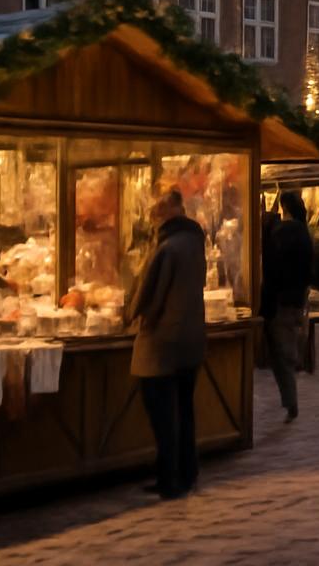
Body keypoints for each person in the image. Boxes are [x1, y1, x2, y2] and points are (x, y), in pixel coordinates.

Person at [126, 190, 206, 500]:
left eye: (157, 208)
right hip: (191, 339)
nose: (153, 214)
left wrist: (130, 315)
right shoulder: (193, 241)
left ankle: (169, 479)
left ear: (169, 210)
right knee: (184, 410)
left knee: (162, 414)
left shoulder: (167, 249)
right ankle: (187, 471)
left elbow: (148, 298)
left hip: (162, 343)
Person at [261, 190, 313, 423]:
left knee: (282, 353)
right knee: (285, 346)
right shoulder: (303, 231)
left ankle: (291, 401)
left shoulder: (281, 233)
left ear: (284, 207)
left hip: (280, 299)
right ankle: (290, 398)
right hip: (296, 298)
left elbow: (273, 269)